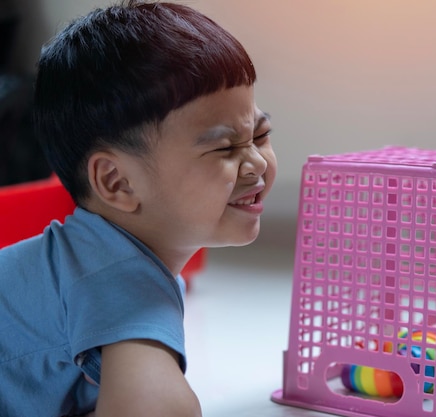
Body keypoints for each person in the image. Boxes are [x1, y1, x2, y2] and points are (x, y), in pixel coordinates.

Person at [0, 1, 276, 416]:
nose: (255, 162)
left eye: (260, 135)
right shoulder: (119, 279)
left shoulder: (97, 259)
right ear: (117, 181)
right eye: (225, 147)